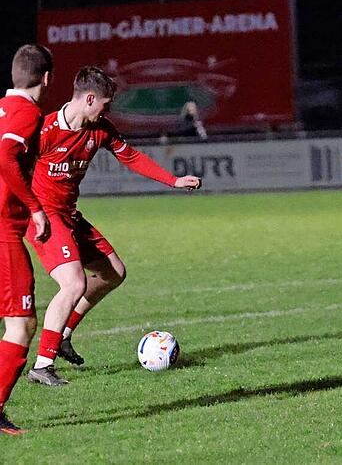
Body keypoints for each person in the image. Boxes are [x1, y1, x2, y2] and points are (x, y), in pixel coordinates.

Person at [25, 66, 202, 386]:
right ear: (89, 99)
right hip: (44, 216)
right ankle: (42, 364)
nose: (108, 111)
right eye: (105, 105)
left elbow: (131, 157)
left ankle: (63, 335)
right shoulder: (45, 130)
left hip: (69, 215)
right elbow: (12, 167)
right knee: (73, 284)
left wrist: (173, 180)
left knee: (113, 272)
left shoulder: (101, 129)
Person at [0, 44, 53, 435]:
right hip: (3, 231)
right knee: (22, 324)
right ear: (46, 78)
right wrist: (35, 207)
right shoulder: (28, 112)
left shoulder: (3, 108)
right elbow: (5, 155)